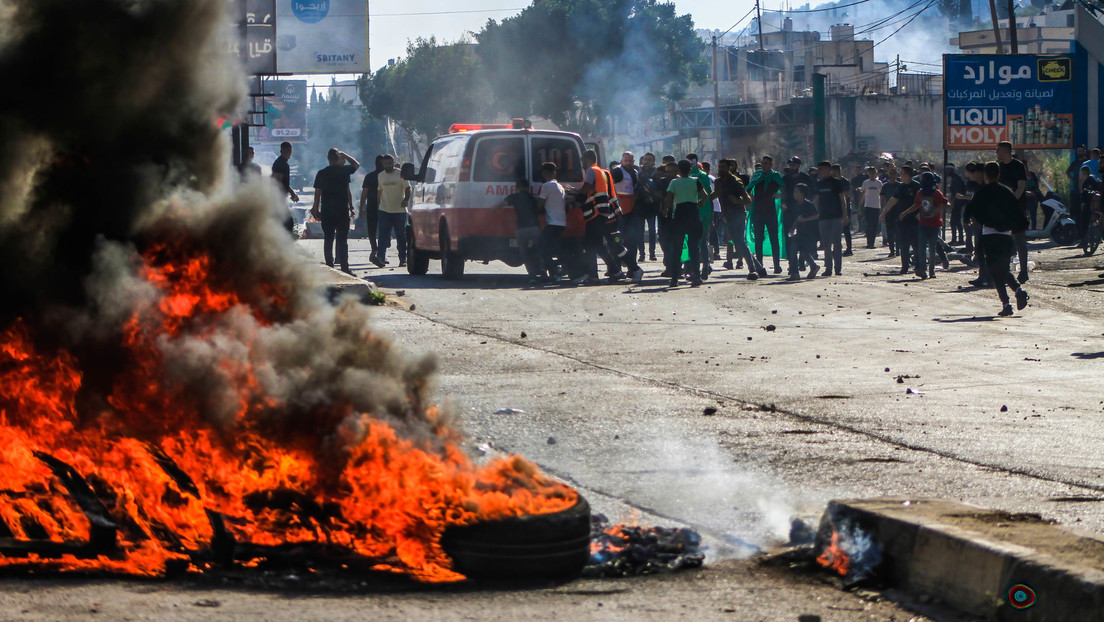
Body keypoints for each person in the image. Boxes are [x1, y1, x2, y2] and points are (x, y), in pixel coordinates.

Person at [963, 162, 1030, 316]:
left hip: (989, 235)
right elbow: (1018, 212)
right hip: (1006, 235)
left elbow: (970, 209)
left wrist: (968, 219)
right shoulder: (1007, 192)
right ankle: (1018, 291)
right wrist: (1018, 229)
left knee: (995, 270)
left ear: (985, 176)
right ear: (998, 175)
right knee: (1003, 267)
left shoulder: (982, 192)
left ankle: (1006, 303)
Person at [576, 149, 644, 285]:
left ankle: (629, 269)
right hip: (609, 214)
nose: (581, 164)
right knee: (605, 245)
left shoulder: (591, 171)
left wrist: (575, 194)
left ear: (586, 159)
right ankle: (615, 271)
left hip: (597, 214)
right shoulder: (604, 171)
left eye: (582, 161)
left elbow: (586, 188)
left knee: (594, 244)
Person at [311, 148, 360, 273]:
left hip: (327, 210)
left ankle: (330, 267)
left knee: (328, 239)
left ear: (328, 159)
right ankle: (345, 268)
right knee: (342, 240)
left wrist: (315, 210)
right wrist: (345, 154)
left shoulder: (321, 173)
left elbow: (317, 194)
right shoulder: (344, 171)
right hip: (341, 210)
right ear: (338, 158)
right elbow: (356, 164)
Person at [663, 159, 710, 287]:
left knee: (677, 248)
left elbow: (668, 198)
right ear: (690, 169)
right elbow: (705, 195)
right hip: (693, 214)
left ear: (678, 170)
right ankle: (696, 276)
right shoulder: (695, 181)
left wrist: (665, 210)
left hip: (680, 215)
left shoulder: (674, 182)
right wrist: (700, 203)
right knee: (694, 248)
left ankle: (674, 279)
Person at [493, 178, 546, 284]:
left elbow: (499, 206)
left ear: (517, 187)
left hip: (522, 229)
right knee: (540, 251)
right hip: (535, 228)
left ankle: (532, 276)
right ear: (527, 187)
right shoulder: (532, 198)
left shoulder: (514, 197)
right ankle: (543, 271)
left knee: (525, 253)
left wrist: (490, 209)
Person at [714, 158, 759, 280]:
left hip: (738, 214)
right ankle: (759, 268)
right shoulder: (718, 182)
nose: (721, 169)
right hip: (727, 216)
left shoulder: (735, 181)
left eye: (723, 167)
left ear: (729, 168)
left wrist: (737, 201)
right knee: (738, 242)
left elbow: (748, 199)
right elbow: (716, 194)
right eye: (720, 167)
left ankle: (753, 270)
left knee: (739, 242)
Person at [898, 172, 947, 279]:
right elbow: (916, 205)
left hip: (934, 225)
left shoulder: (936, 193)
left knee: (932, 249)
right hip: (923, 224)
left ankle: (932, 271)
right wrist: (905, 213)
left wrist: (935, 211)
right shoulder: (920, 193)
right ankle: (922, 269)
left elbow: (946, 204)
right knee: (921, 248)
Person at [995, 141, 1029, 283]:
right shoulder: (998, 167)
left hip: (1017, 208)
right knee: (1003, 240)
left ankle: (1024, 271)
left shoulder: (1018, 166)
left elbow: (1021, 187)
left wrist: (1011, 202)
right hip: (1002, 210)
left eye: (998, 150)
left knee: (1020, 240)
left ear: (1005, 151)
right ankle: (1005, 270)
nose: (996, 153)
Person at [747, 156, 784, 275]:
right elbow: (748, 189)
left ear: (771, 164)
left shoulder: (775, 176)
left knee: (774, 239)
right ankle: (760, 266)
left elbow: (784, 189)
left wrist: (779, 195)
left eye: (766, 163)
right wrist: (750, 198)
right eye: (762, 163)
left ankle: (777, 265)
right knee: (758, 240)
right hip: (758, 212)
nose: (764, 165)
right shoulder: (757, 176)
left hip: (771, 211)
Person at [882, 166, 920, 275]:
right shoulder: (900, 187)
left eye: (902, 173)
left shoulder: (916, 186)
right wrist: (884, 212)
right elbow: (893, 200)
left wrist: (920, 214)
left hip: (914, 220)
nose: (900, 175)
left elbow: (921, 202)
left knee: (916, 244)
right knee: (904, 244)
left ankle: (918, 266)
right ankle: (905, 266)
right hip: (902, 221)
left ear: (908, 175)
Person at [373, 154, 410, 268]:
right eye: (385, 164)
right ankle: (381, 258)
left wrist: (406, 199)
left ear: (393, 163)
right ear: (382, 164)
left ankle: (403, 259)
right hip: (384, 210)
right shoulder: (381, 176)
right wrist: (379, 205)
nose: (388, 166)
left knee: (401, 236)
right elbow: (380, 191)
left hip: (399, 210)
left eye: (390, 163)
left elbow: (408, 188)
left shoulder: (401, 174)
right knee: (383, 236)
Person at [813, 160, 848, 276]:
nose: (819, 172)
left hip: (836, 217)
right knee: (826, 244)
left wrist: (845, 214)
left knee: (837, 243)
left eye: (821, 169)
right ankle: (828, 268)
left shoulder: (836, 182)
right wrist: (813, 213)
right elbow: (816, 201)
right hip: (823, 217)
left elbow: (842, 199)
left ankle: (838, 268)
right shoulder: (818, 184)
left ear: (828, 169)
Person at [612, 151, 645, 266]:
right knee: (617, 239)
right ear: (622, 160)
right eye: (626, 160)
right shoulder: (617, 171)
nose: (628, 162)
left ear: (633, 161)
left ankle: (632, 267)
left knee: (632, 240)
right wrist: (616, 197)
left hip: (632, 210)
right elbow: (609, 185)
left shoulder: (635, 173)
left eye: (630, 160)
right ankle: (616, 267)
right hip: (619, 210)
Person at [537, 162, 569, 281]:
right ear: (554, 172)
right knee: (552, 249)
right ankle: (555, 273)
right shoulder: (560, 186)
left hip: (552, 223)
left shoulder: (547, 186)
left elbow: (540, 204)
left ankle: (556, 269)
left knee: (542, 247)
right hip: (562, 223)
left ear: (544, 173)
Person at [787, 183, 820, 281]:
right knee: (800, 251)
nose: (794, 193)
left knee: (800, 251)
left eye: (796, 191)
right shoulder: (796, 205)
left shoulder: (809, 205)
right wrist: (792, 228)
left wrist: (805, 220)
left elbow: (817, 215)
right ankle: (811, 267)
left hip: (810, 234)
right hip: (800, 233)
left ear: (802, 193)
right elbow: (796, 219)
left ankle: (796, 272)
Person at [635, 152, 661, 262]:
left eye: (650, 160)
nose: (647, 162)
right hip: (640, 206)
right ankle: (641, 253)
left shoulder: (657, 173)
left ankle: (652, 253)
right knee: (639, 232)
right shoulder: (637, 172)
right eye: (645, 159)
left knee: (652, 231)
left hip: (652, 206)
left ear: (654, 162)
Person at [358, 155, 384, 261]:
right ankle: (375, 249)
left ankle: (380, 251)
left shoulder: (385, 176)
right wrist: (361, 208)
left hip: (384, 206)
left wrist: (361, 208)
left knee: (382, 229)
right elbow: (364, 193)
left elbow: (364, 194)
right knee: (372, 229)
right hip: (372, 205)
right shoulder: (370, 176)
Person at [271, 141, 299, 234]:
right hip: (278, 198)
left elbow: (283, 182)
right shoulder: (281, 163)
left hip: (279, 197)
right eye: (288, 150)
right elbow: (278, 181)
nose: (289, 152)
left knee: (285, 222)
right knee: (287, 223)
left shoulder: (283, 163)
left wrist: (292, 193)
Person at [832, 164, 854, 256]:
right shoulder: (832, 182)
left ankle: (849, 249)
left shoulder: (844, 181)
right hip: (834, 207)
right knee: (835, 229)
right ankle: (837, 247)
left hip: (844, 207)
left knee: (846, 229)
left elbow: (845, 195)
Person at [859, 166, 883, 249]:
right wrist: (859, 206)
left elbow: (882, 195)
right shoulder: (866, 183)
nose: (872, 174)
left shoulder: (879, 183)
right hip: (868, 206)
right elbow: (863, 194)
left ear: (876, 173)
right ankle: (869, 242)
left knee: (875, 225)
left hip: (876, 206)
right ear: (868, 174)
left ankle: (872, 242)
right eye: (870, 173)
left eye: (873, 173)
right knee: (869, 225)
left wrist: (882, 207)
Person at [880, 167, 901, 255]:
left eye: (894, 173)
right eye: (891, 173)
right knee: (889, 231)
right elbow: (882, 198)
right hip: (888, 210)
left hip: (898, 210)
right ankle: (892, 250)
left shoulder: (899, 185)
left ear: (897, 175)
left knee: (898, 231)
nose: (892, 175)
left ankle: (898, 250)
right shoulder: (885, 186)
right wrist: (882, 210)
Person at [945, 164, 967, 245]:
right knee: (955, 222)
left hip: (957, 203)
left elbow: (956, 194)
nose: (946, 171)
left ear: (951, 170)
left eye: (947, 169)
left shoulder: (956, 180)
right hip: (956, 203)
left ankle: (958, 239)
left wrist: (952, 204)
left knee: (955, 222)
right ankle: (957, 239)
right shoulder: (955, 178)